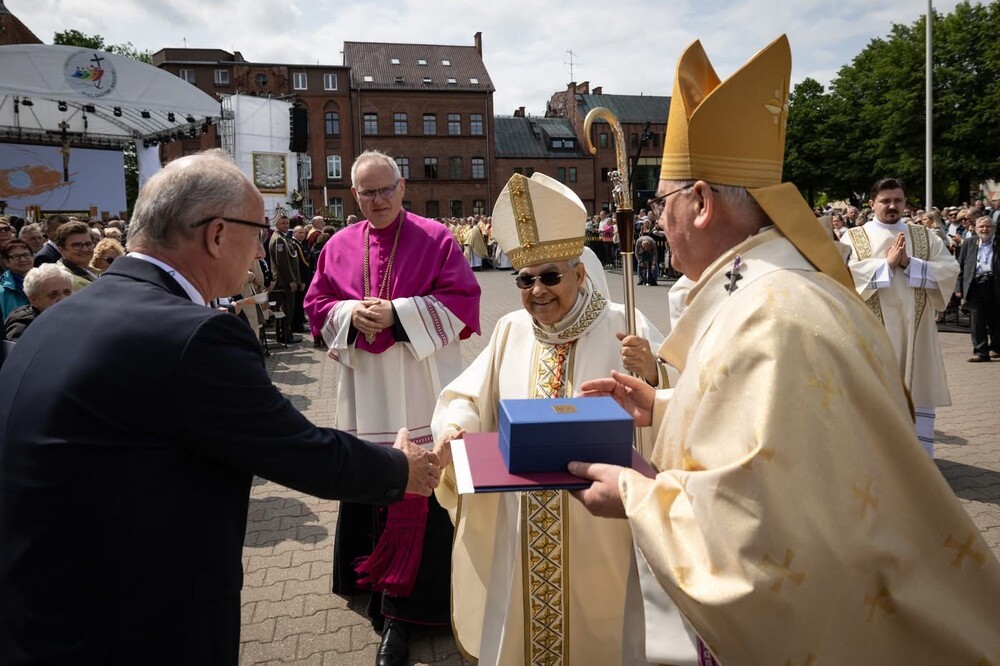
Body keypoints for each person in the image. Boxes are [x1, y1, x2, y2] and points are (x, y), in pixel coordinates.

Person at [569, 35, 1000, 665]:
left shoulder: (766, 319)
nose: (660, 221)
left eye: (663, 204)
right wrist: (664, 404)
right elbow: (789, 446)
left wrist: (635, 499)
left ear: (702, 202)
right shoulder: (781, 292)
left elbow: (757, 536)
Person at [0, 149, 442, 664]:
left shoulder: (60, 315)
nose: (259, 252)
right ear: (216, 234)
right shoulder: (197, 336)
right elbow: (297, 451)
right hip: (132, 619)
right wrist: (400, 468)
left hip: (39, 603)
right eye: (255, 232)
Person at [431, 172, 671, 665]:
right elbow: (466, 396)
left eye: (550, 276)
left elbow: (678, 400)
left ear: (580, 273)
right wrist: (455, 428)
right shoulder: (510, 329)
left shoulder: (625, 326)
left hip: (601, 526)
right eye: (524, 279)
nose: (536, 291)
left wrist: (655, 372)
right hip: (521, 521)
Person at [303, 149, 481, 666]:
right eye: (366, 192)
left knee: (421, 480)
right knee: (371, 476)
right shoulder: (337, 245)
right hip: (367, 389)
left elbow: (464, 302)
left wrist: (400, 314)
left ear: (402, 187)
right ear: (352, 194)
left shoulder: (437, 238)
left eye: (385, 190)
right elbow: (314, 308)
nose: (376, 200)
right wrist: (349, 312)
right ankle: (375, 592)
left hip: (421, 385)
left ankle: (415, 611)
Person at [840, 178, 959, 457]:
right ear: (872, 204)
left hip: (914, 329)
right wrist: (886, 265)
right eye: (885, 200)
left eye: (898, 200)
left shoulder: (924, 236)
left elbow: (949, 270)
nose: (892, 206)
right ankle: (875, 460)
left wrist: (910, 263)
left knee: (914, 388)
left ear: (905, 203)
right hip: (870, 331)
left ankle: (917, 461)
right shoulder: (854, 236)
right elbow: (842, 274)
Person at [955, 216, 1000, 362]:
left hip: (995, 284)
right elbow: (960, 267)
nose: (985, 229)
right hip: (974, 285)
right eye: (981, 226)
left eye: (988, 226)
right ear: (975, 228)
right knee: (977, 320)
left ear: (994, 229)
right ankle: (981, 352)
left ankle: (996, 348)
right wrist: (958, 287)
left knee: (996, 319)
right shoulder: (969, 243)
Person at [3, 263, 74, 341]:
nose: (63, 299)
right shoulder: (24, 326)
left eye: (67, 293)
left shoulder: (76, 317)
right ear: (34, 300)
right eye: (53, 295)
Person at [268, 213, 302, 343]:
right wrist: (291, 280)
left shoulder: (283, 238)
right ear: (276, 225)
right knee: (287, 309)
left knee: (288, 309)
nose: (286, 225)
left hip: (285, 280)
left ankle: (287, 334)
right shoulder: (279, 240)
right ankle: (286, 336)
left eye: (287, 223)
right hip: (284, 281)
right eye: (283, 223)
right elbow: (282, 263)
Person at [53, 220, 99, 291]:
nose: (85, 249)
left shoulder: (96, 272)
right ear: (61, 249)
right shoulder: (63, 279)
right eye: (77, 245)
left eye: (88, 244)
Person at [0, 239, 34, 319]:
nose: (23, 259)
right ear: (6, 262)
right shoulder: (3, 291)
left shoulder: (45, 281)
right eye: (17, 257)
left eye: (26, 255)